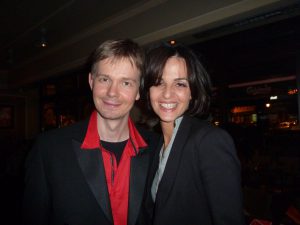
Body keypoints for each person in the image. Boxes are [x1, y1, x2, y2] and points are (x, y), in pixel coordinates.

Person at [22, 39, 159, 225]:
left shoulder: (158, 149)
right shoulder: (48, 149)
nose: (112, 92)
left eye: (126, 83)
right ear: (91, 81)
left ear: (138, 91)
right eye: (105, 79)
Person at [142, 42, 246, 225]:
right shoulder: (155, 145)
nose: (167, 94)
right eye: (158, 83)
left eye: (180, 84)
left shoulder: (210, 141)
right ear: (148, 90)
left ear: (192, 92)